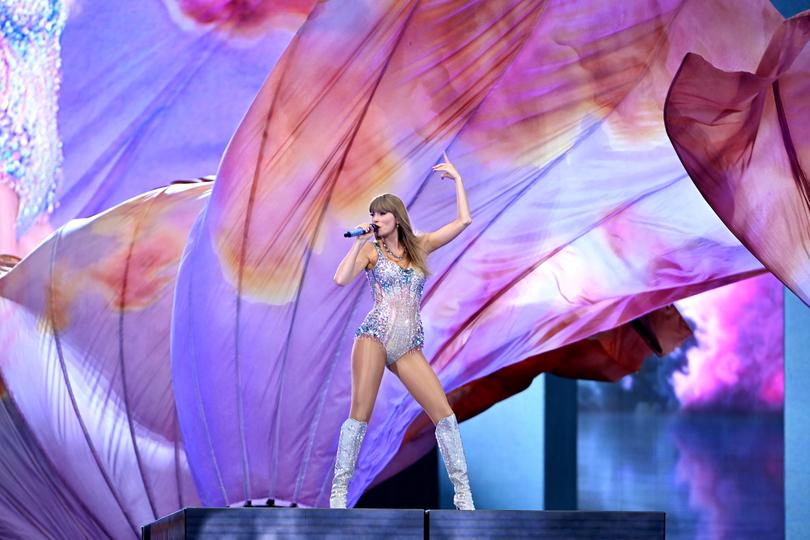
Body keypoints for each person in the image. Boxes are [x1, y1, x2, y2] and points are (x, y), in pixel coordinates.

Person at [330, 152, 475, 510]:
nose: (375, 218)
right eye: (372, 214)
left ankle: (463, 494)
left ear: (396, 217)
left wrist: (457, 180)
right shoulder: (371, 251)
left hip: (408, 343)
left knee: (444, 414)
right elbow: (340, 278)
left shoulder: (419, 246)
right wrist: (356, 245)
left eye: (381, 213)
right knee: (360, 414)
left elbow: (464, 221)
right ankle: (338, 492)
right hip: (375, 336)